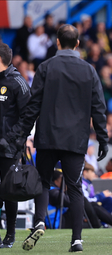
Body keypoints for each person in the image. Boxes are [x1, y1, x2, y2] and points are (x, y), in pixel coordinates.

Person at [5, 24, 108, 252]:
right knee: (75, 188)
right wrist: (102, 137)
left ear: (58, 42)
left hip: (48, 136)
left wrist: (21, 135)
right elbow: (98, 107)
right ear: (78, 44)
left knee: (43, 181)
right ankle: (77, 240)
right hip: (76, 140)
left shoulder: (46, 67)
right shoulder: (88, 70)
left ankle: (39, 220)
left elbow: (33, 105)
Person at [0, 42, 31, 248]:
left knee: (9, 191)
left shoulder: (17, 81)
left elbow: (28, 116)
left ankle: (10, 235)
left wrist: (10, 139)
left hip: (8, 148)